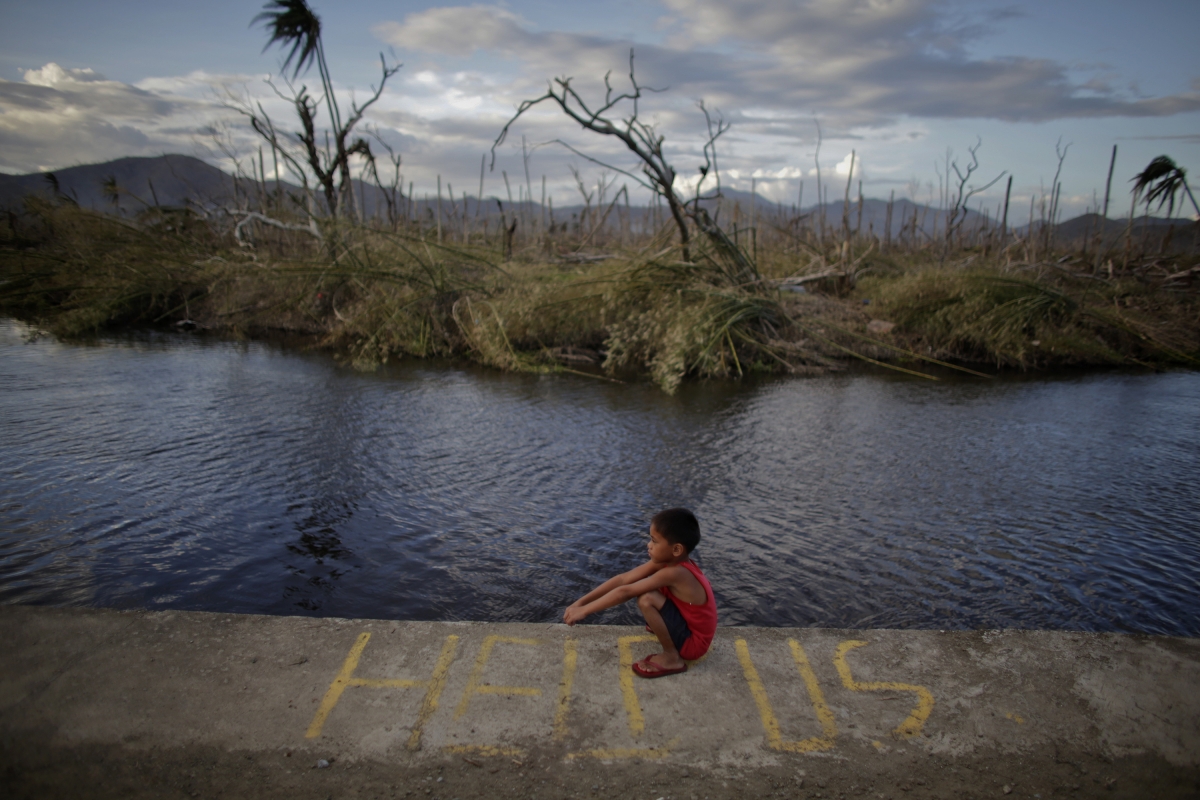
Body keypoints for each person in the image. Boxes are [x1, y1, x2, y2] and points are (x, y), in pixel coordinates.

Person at [563, 508, 717, 678]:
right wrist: (580, 602)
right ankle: (663, 627)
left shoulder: (676, 573)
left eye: (654, 541)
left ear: (676, 550)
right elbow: (623, 579)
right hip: (689, 628)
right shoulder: (669, 562)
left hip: (693, 644)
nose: (648, 545)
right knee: (648, 587)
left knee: (646, 598)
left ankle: (672, 657)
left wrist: (585, 611)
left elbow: (625, 591)